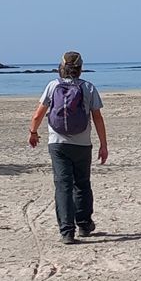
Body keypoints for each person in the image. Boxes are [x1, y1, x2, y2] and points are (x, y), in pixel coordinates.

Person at [28, 51, 108, 245]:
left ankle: (67, 232)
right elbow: (97, 117)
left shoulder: (52, 86)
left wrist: (33, 132)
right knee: (82, 184)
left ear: (62, 67)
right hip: (82, 144)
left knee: (63, 186)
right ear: (80, 68)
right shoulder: (88, 87)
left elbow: (38, 115)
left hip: (58, 144)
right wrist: (103, 145)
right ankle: (84, 225)